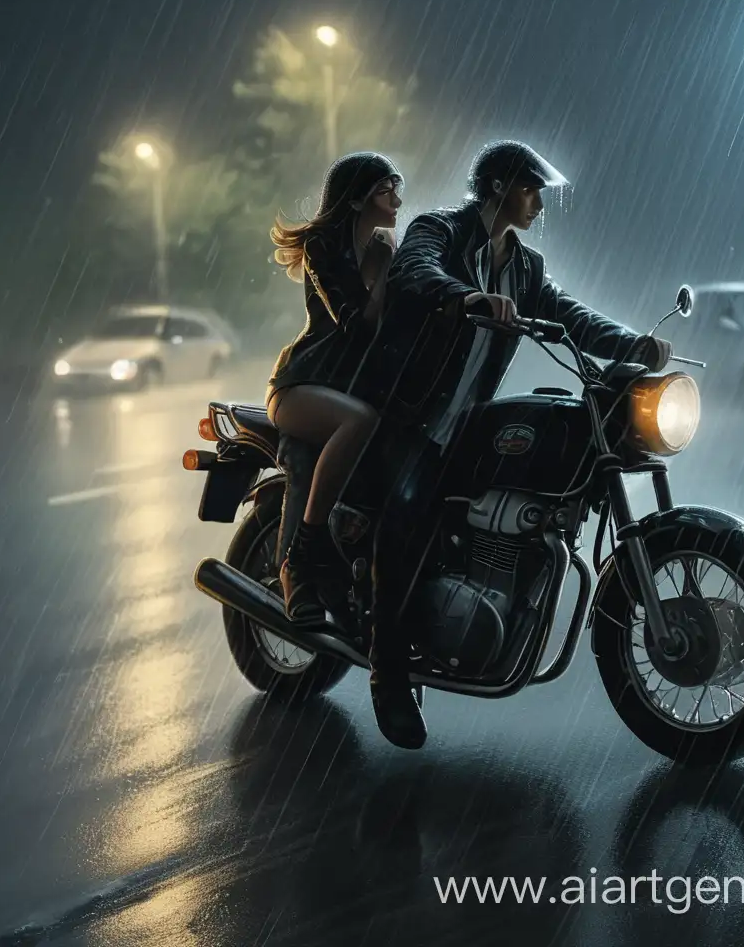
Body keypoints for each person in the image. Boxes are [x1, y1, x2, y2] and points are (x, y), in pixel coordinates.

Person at [362, 139, 672, 750]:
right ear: (500, 186)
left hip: (469, 417)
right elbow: (415, 271)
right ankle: (387, 670)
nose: (538, 204)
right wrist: (468, 297)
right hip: (413, 414)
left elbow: (568, 314)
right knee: (402, 516)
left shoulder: (524, 266)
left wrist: (632, 344)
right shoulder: (440, 230)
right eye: (531, 189)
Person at [265, 151, 404, 623]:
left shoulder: (383, 247)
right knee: (360, 421)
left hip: (346, 388)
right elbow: (359, 325)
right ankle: (301, 556)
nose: (398, 199)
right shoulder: (325, 247)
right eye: (387, 189)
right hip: (302, 384)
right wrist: (383, 268)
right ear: (359, 198)